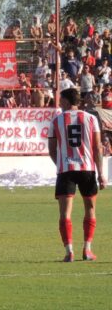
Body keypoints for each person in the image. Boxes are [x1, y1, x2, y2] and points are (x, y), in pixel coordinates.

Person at [48, 88, 105, 262]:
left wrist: (60, 164)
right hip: (88, 170)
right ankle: (87, 250)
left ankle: (69, 251)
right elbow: (97, 148)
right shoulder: (91, 119)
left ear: (65, 101)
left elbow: (51, 148)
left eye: (60, 100)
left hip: (66, 171)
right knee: (90, 209)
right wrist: (101, 173)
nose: (59, 103)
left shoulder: (56, 121)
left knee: (65, 213)